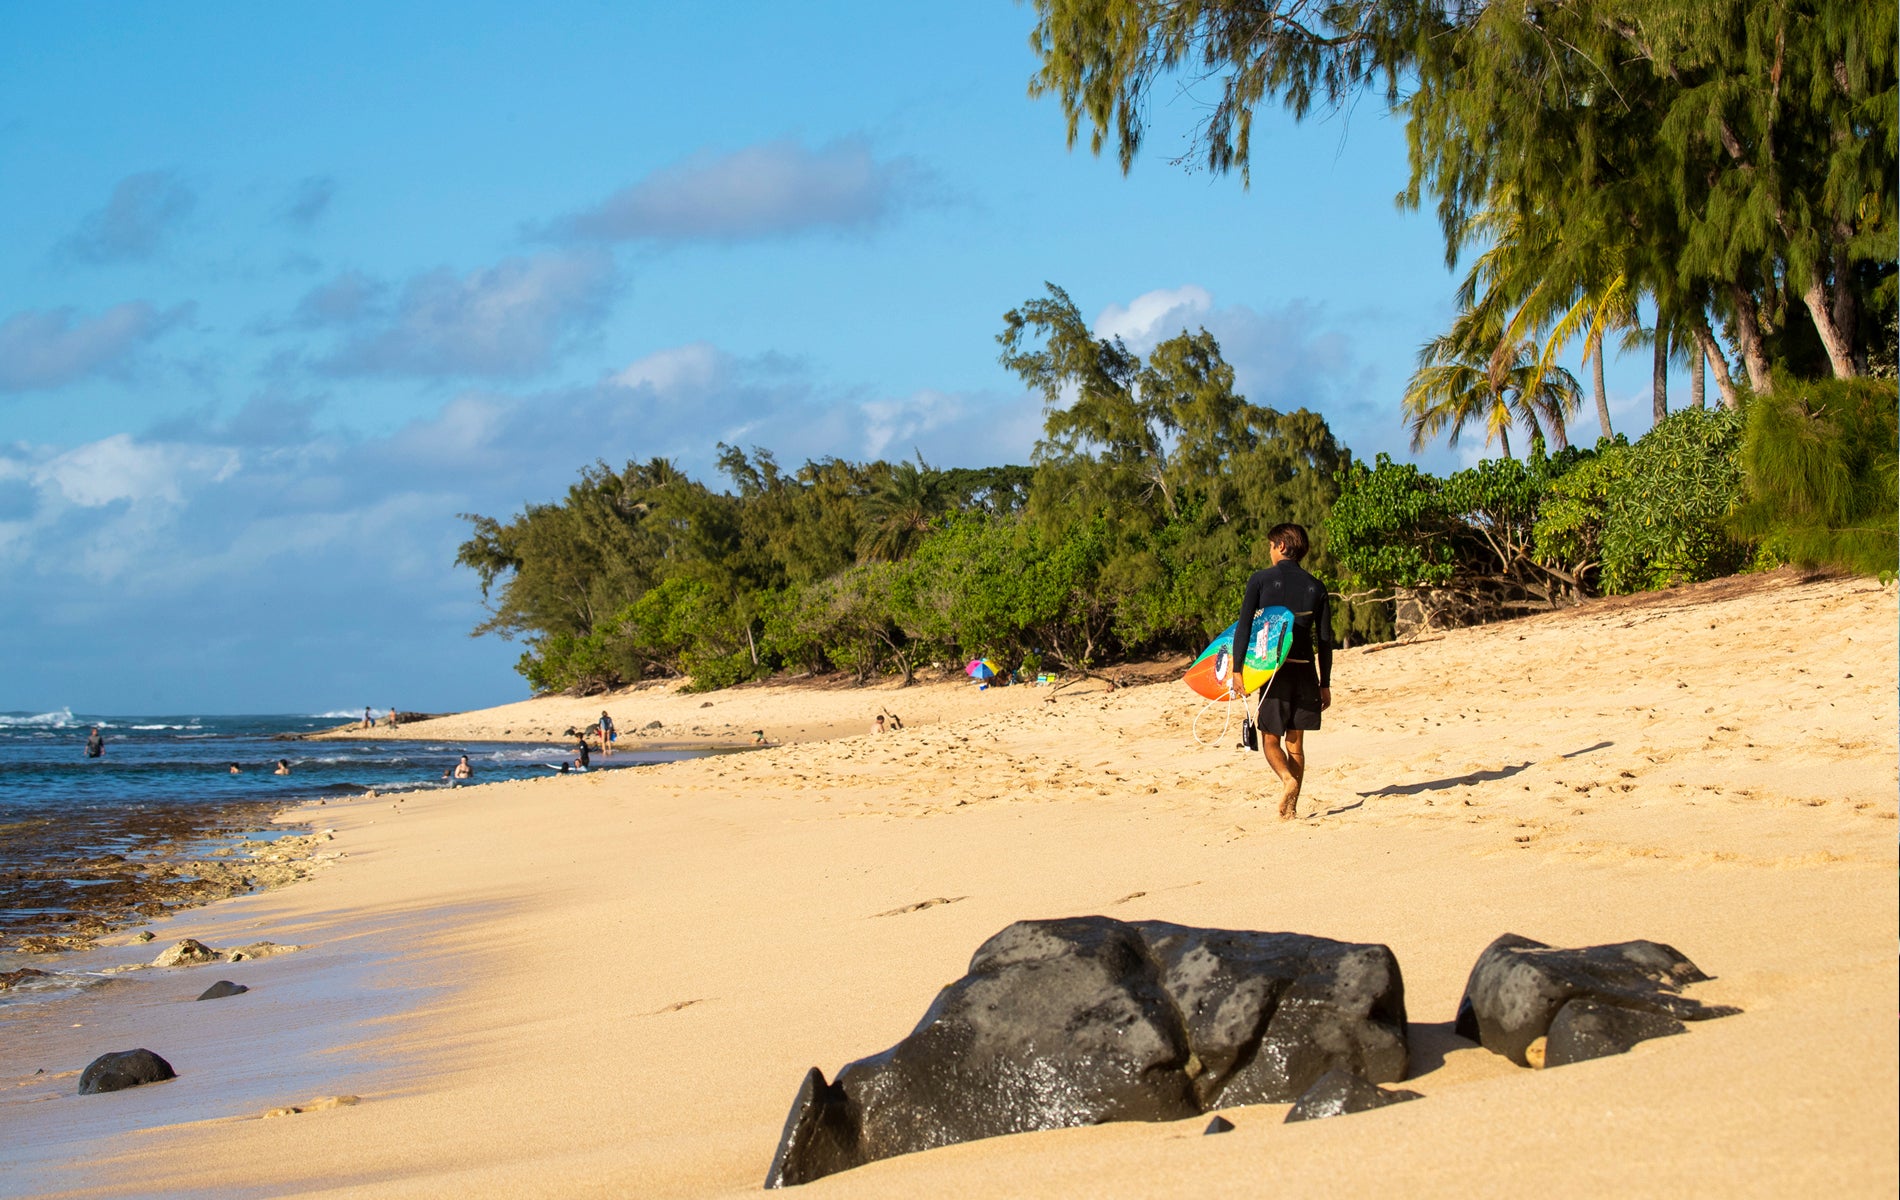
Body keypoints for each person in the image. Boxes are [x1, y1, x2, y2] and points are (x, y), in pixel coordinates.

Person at [1232, 523, 1333, 820]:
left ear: (1282, 547)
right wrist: (1324, 683)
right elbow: (1324, 641)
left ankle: (1286, 780)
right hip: (1305, 673)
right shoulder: (1317, 586)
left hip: (1273, 671)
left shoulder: (1261, 580)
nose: (1270, 551)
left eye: (1271, 546)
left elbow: (1244, 628)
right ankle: (1292, 808)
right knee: (1296, 744)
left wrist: (1238, 671)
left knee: (1270, 739)